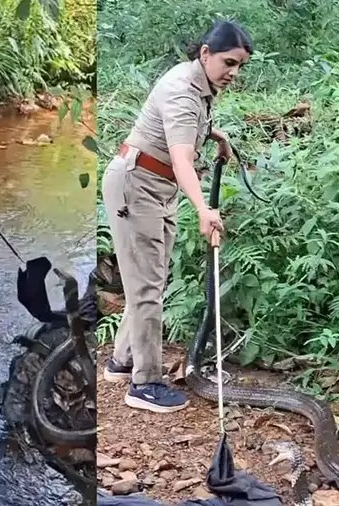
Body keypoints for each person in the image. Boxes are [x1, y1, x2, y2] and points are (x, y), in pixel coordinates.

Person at [100, 20, 252, 413]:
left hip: (156, 184)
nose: (234, 72)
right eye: (229, 62)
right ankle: (145, 384)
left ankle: (122, 361)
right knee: (147, 285)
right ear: (205, 54)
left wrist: (216, 136)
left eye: (240, 66)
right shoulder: (184, 89)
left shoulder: (199, 84)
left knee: (149, 278)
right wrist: (204, 209)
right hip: (138, 185)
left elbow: (185, 132)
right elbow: (182, 157)